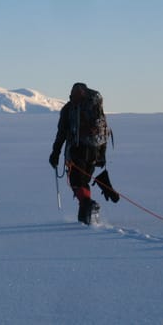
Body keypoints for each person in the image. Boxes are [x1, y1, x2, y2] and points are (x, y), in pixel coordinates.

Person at [49, 82, 110, 225]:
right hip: (95, 150)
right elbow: (103, 131)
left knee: (76, 182)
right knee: (83, 181)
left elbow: (61, 134)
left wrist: (55, 153)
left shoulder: (69, 109)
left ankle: (88, 206)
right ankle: (86, 213)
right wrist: (102, 155)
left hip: (78, 149)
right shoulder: (95, 107)